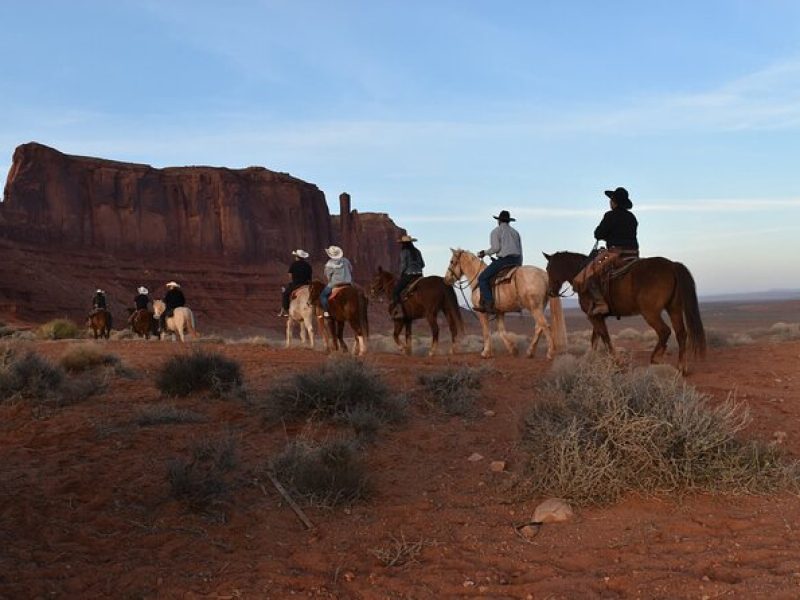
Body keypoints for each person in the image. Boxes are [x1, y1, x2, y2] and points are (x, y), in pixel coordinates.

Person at [574, 186, 639, 316]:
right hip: (633, 254)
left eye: (611, 200)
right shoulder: (632, 217)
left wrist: (605, 235)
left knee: (589, 273)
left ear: (614, 202)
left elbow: (598, 233)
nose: (610, 202)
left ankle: (600, 303)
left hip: (616, 253)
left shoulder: (610, 215)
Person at [476, 210, 523, 313]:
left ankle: (489, 303)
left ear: (499, 221)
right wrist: (520, 264)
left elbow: (496, 248)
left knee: (482, 278)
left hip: (504, 261)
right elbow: (520, 250)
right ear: (508, 221)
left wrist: (484, 253)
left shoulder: (496, 231)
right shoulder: (515, 232)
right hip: (516, 260)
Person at [389, 234, 425, 318]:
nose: (401, 245)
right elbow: (423, 264)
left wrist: (400, 274)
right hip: (419, 275)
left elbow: (403, 266)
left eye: (402, 243)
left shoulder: (404, 252)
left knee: (396, 292)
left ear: (404, 244)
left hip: (409, 275)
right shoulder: (417, 251)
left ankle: (400, 311)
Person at [320, 245, 353, 318]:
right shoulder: (346, 260)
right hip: (348, 283)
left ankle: (326, 312)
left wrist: (330, 281)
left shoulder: (329, 264)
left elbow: (328, 276)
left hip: (335, 284)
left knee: (323, 296)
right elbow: (351, 269)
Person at [278, 249, 313, 317]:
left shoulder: (294, 264)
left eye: (295, 256)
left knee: (285, 294)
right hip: (306, 284)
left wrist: (294, 279)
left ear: (297, 257)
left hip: (296, 284)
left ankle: (286, 310)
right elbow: (310, 276)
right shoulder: (308, 265)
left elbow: (290, 275)